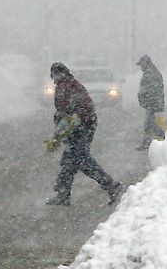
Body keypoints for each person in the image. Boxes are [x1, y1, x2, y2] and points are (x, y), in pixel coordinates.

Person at [46, 62, 125, 206]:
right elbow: (64, 112)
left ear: (60, 74)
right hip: (79, 127)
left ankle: (111, 185)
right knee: (71, 160)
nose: (54, 78)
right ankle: (63, 193)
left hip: (82, 128)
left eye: (55, 75)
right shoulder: (66, 86)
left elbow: (69, 112)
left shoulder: (68, 87)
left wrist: (60, 130)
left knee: (81, 160)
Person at [136, 55, 166, 150]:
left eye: (141, 65)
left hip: (152, 103)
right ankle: (160, 138)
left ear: (145, 63)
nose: (141, 67)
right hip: (153, 102)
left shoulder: (150, 73)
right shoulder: (152, 72)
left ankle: (163, 137)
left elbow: (148, 90)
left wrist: (144, 99)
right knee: (150, 123)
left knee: (149, 124)